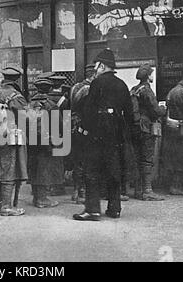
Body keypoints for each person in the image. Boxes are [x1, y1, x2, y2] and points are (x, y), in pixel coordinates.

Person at [73, 48, 134, 221]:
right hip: (116, 131)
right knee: (113, 168)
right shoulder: (122, 84)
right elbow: (129, 113)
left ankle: (92, 210)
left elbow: (89, 110)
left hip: (97, 130)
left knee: (91, 169)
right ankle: (114, 208)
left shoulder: (97, 83)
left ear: (101, 65)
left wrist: (84, 131)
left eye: (97, 65)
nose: (95, 69)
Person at [0, 67, 28, 216]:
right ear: (18, 79)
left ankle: (0, 204)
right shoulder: (17, 96)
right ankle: (7, 206)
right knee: (9, 170)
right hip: (10, 138)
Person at [129, 64, 166, 201]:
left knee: (137, 157)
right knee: (147, 158)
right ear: (148, 76)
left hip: (135, 127)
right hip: (146, 127)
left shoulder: (134, 89)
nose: (152, 76)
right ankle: (147, 190)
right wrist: (163, 109)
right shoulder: (147, 90)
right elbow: (155, 110)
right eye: (151, 74)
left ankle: (138, 190)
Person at [27, 78, 63, 208]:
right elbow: (58, 125)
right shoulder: (51, 105)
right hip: (45, 141)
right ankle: (42, 198)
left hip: (30, 140)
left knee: (34, 166)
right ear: (49, 89)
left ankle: (36, 196)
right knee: (44, 167)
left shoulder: (29, 103)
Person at [66, 64, 96, 204]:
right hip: (85, 127)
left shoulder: (74, 87)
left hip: (73, 126)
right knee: (85, 160)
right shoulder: (89, 89)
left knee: (77, 159)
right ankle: (82, 192)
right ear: (94, 75)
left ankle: (76, 191)